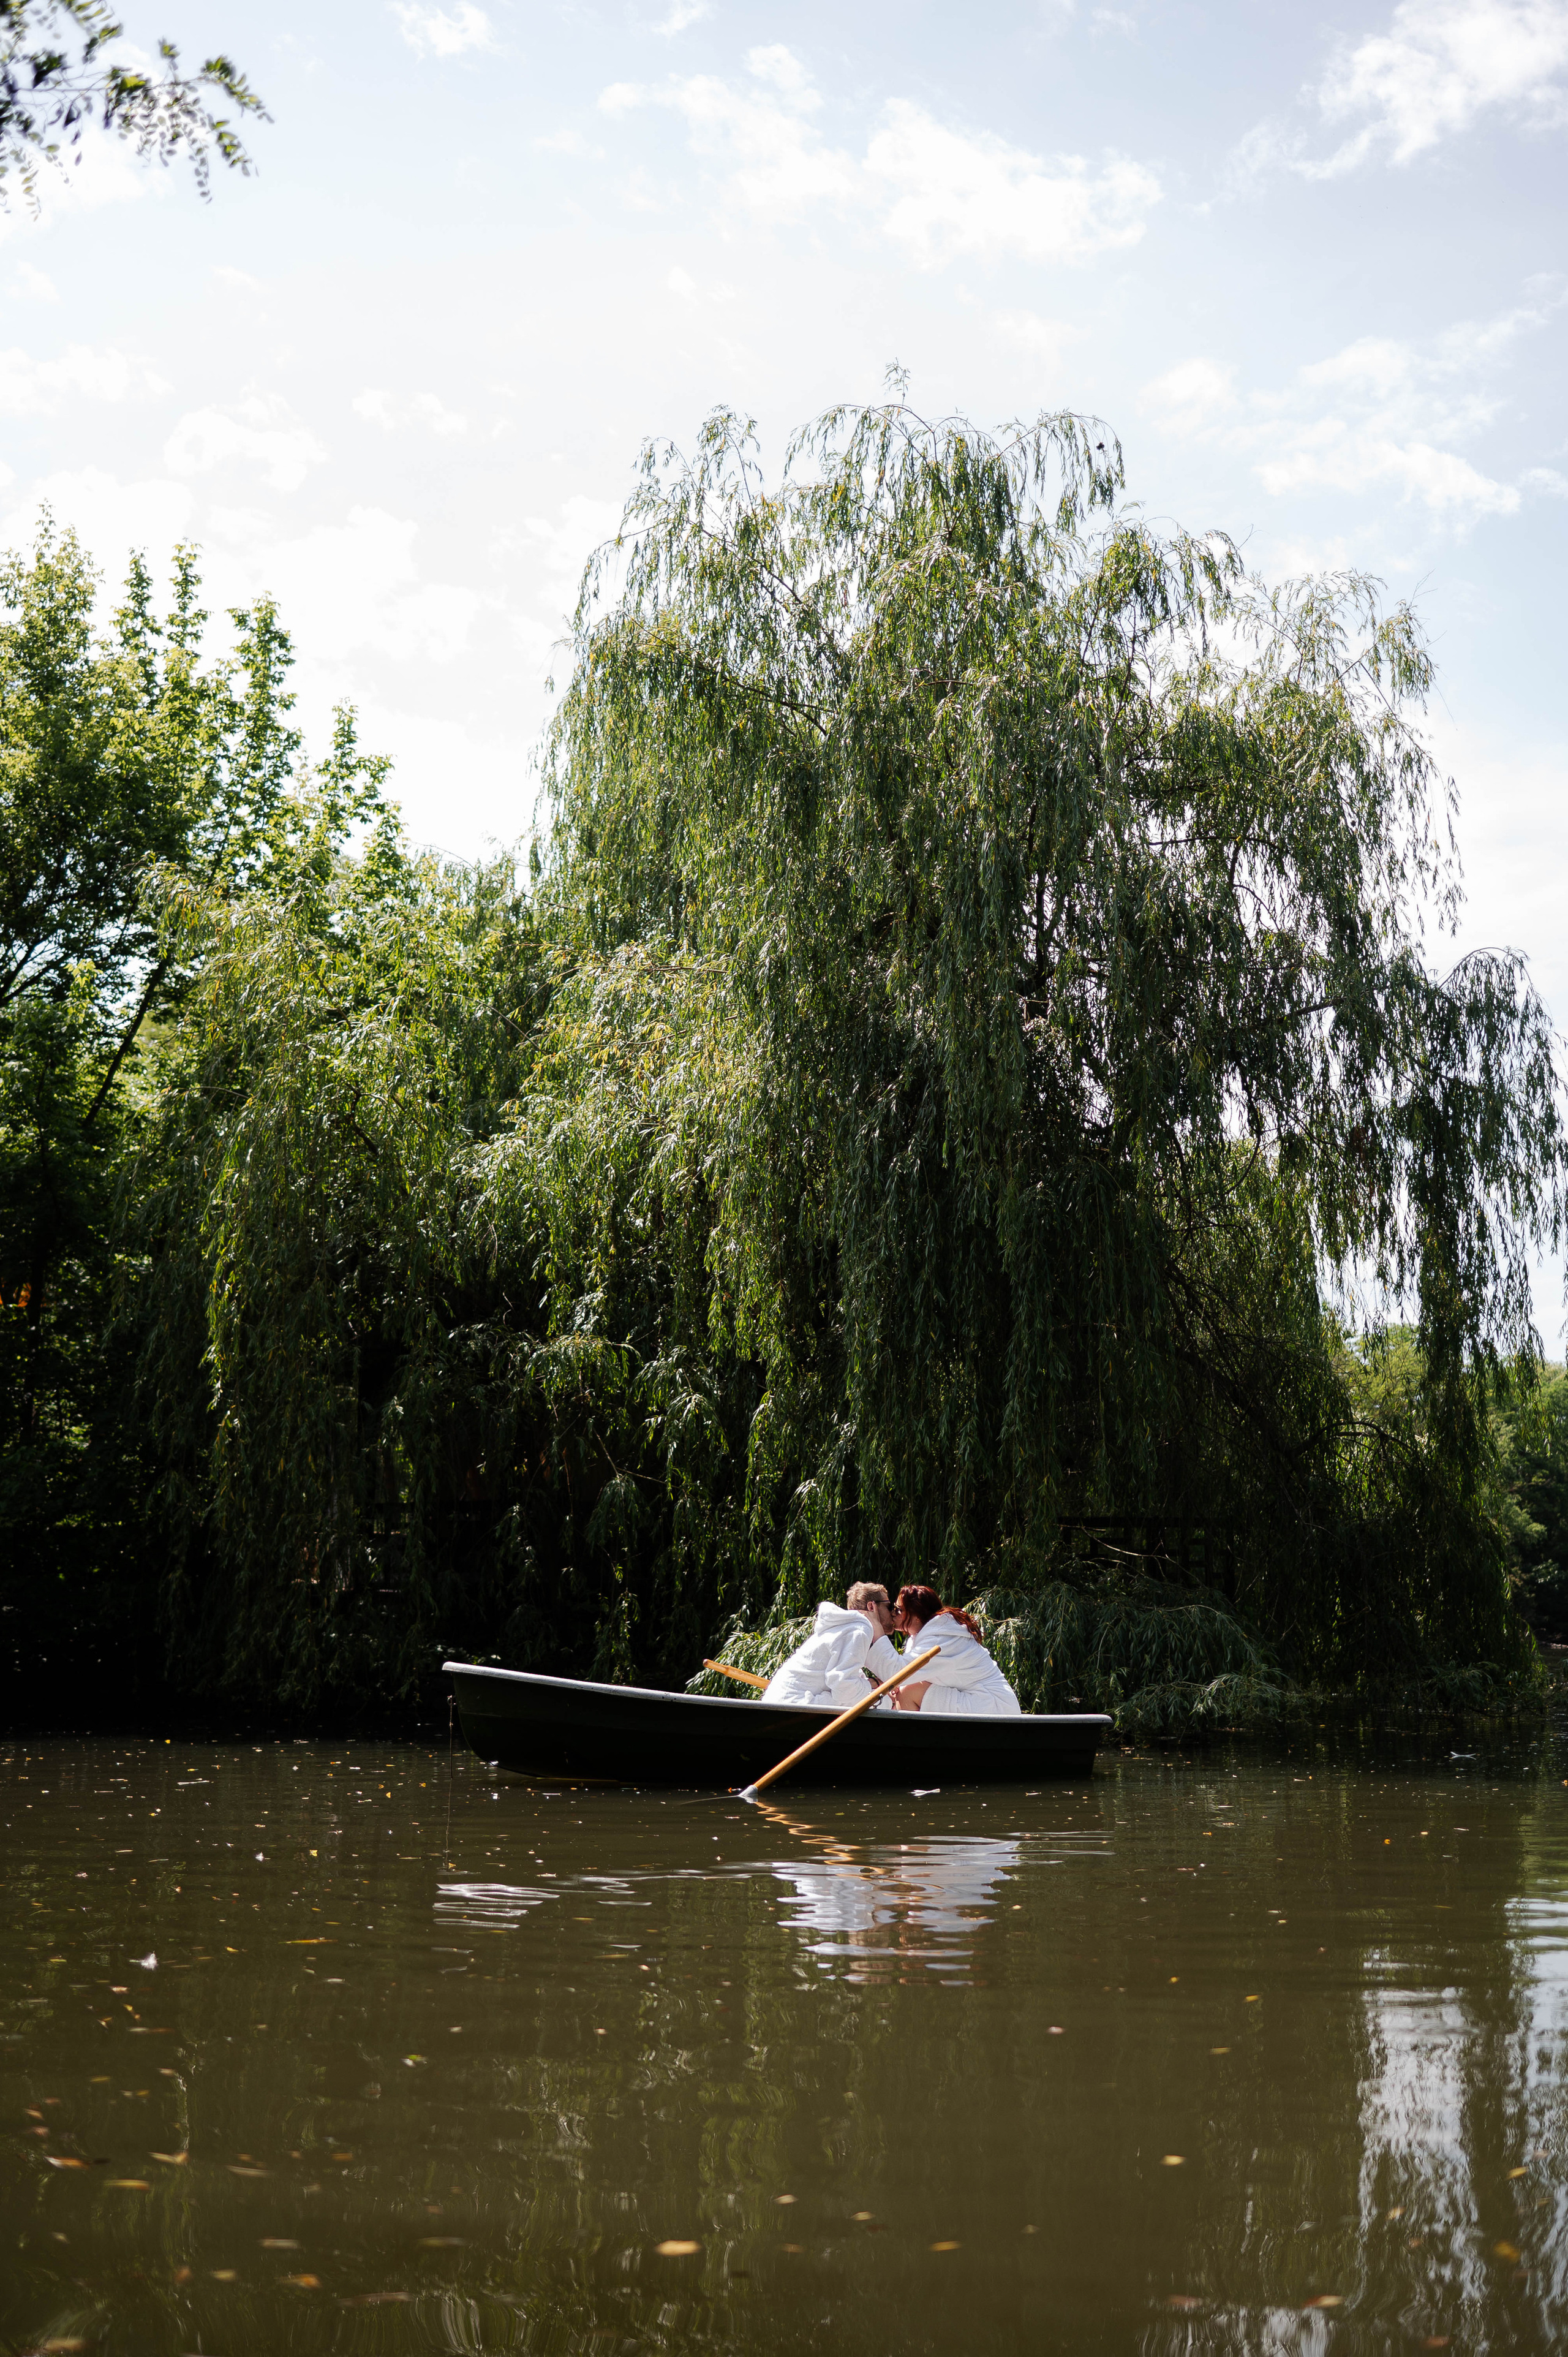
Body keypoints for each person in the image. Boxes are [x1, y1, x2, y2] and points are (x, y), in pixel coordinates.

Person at [761, 1581, 904, 1709]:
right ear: (871, 1607)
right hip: (791, 1706)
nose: (893, 1613)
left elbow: (844, 1679)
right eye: (889, 1606)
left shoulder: (847, 1627)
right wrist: (876, 1685)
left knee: (877, 1698)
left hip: (780, 1701)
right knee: (882, 1703)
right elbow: (843, 1688)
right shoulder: (860, 1630)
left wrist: (875, 1685)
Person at [890, 1584, 1021, 1715]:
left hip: (994, 1705)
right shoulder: (923, 1637)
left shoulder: (940, 1638)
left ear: (916, 1615)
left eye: (898, 1610)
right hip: (985, 1702)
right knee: (904, 1689)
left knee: (908, 1692)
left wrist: (876, 1631)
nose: (892, 1613)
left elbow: (898, 1671)